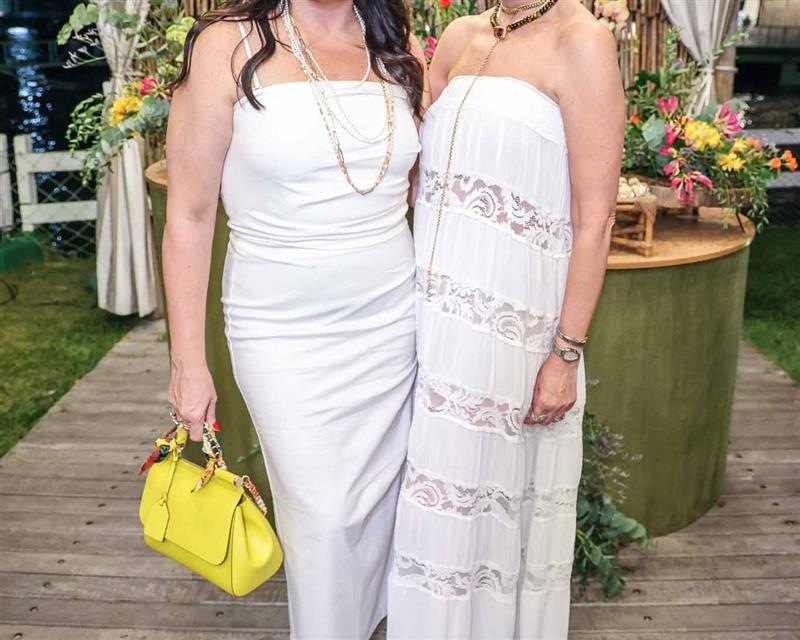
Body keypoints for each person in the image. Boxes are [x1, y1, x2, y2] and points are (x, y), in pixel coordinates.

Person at [162, 1, 428, 637]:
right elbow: (189, 216)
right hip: (281, 331)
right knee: (324, 520)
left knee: (390, 514)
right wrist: (188, 364)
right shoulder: (227, 44)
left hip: (395, 324)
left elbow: (418, 184)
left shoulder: (394, 38)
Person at [388, 0, 624, 637]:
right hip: (429, 319)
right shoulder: (460, 35)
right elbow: (417, 172)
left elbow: (596, 218)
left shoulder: (583, 41)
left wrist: (565, 353)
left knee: (483, 521)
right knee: (431, 515)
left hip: (510, 335)